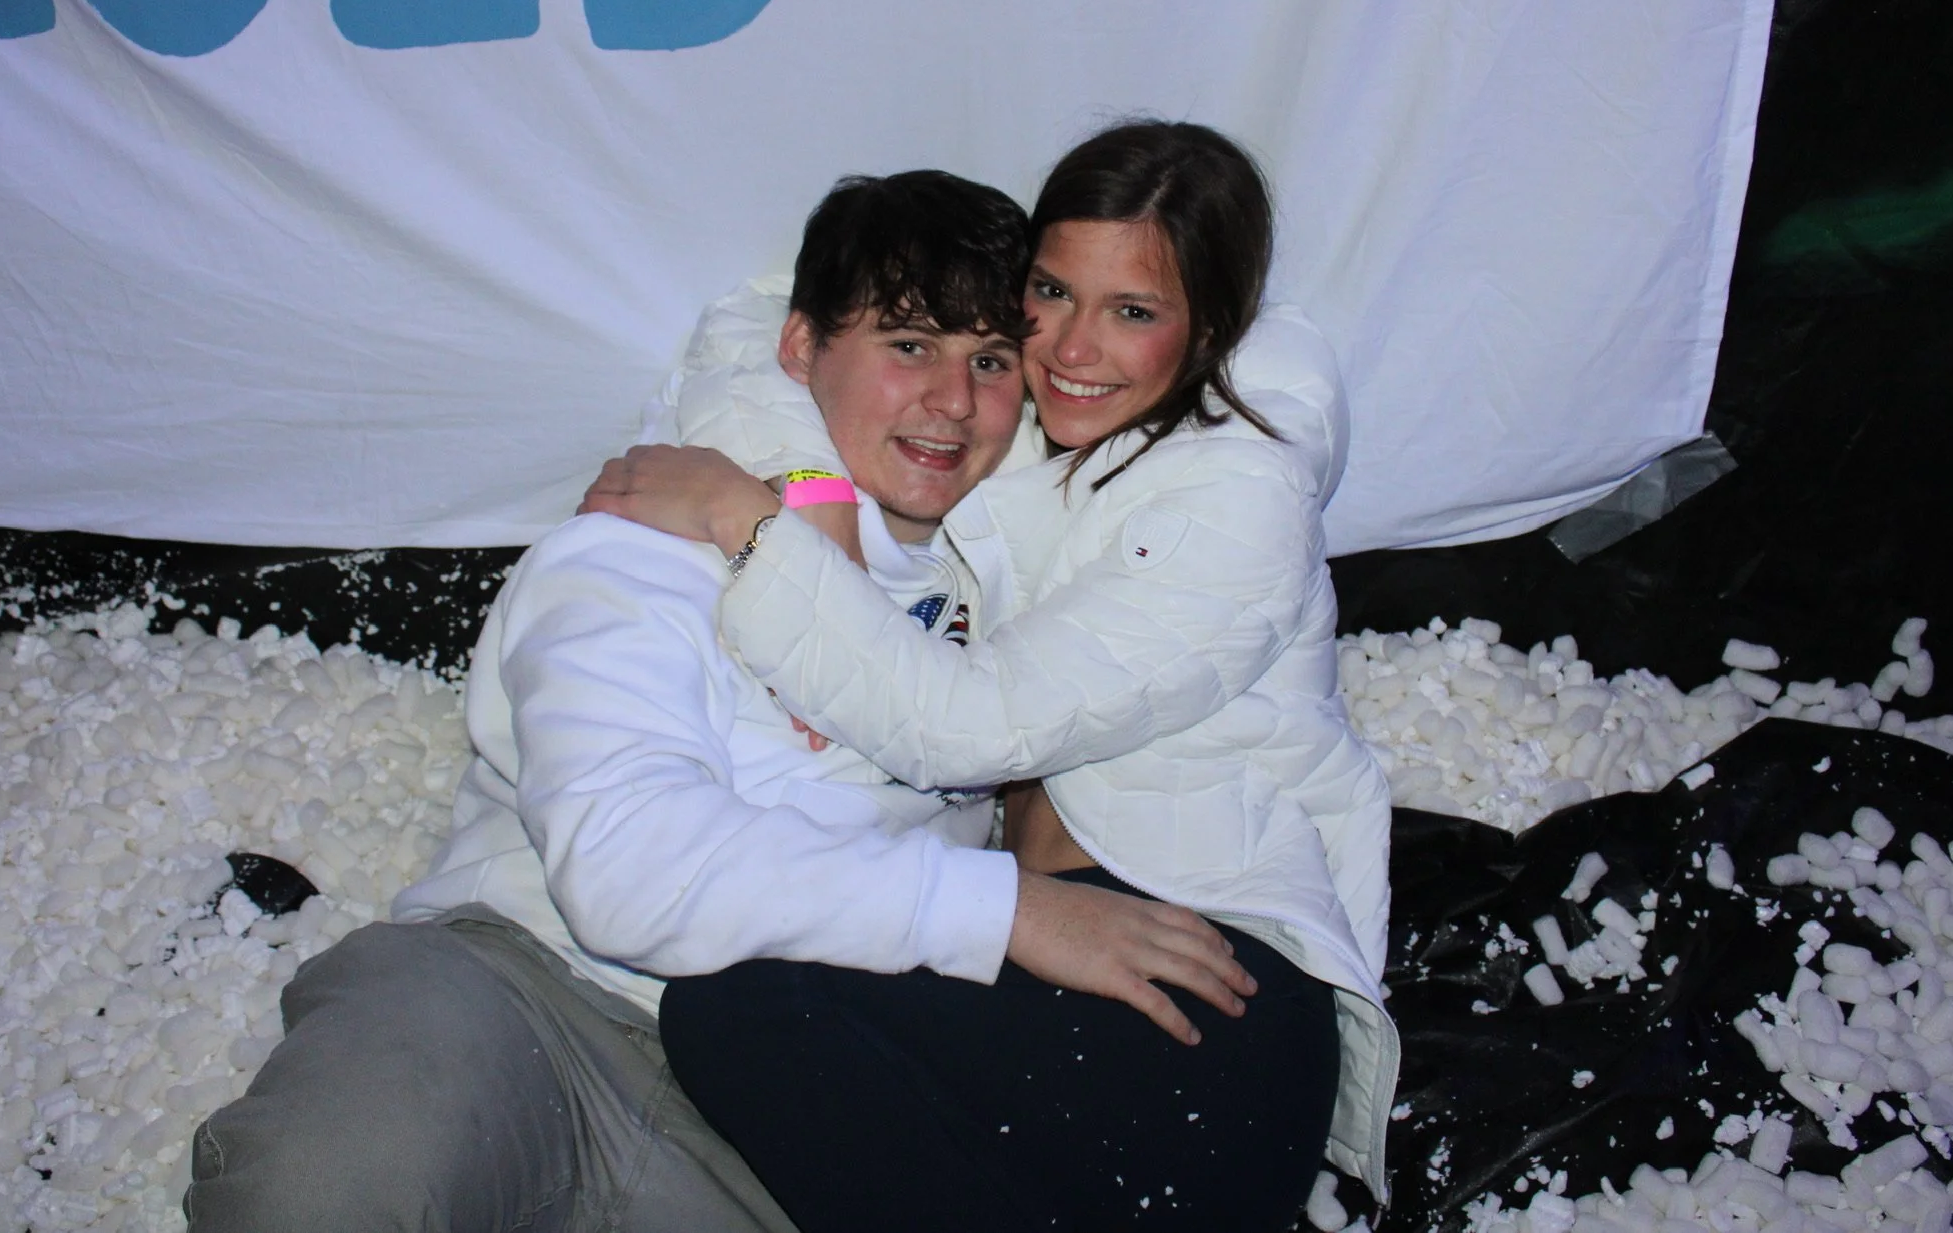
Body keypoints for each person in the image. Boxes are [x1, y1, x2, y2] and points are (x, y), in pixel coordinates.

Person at [181, 169, 1255, 1231]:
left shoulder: (1011, 581)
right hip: (525, 991)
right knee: (316, 1191)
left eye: (987, 359)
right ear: (801, 351)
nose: (951, 400)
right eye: (907, 345)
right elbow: (628, 872)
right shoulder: (648, 536)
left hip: (785, 1080)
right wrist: (1006, 912)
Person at [583, 120, 1399, 1233]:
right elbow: (772, 316)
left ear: (1208, 329)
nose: (1068, 346)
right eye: (1049, 292)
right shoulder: (1051, 426)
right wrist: (809, 483)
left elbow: (963, 730)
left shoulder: (1235, 506)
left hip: (1202, 1004)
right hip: (1054, 974)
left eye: (1132, 311)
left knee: (736, 1008)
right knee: (748, 1004)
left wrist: (745, 516)